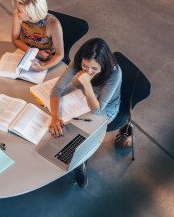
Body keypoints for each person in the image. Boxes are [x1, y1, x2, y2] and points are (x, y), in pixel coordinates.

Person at [48, 38, 122, 188]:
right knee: (63, 125)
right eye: (84, 66)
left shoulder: (114, 72)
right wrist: (55, 117)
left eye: (94, 68)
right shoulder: (78, 61)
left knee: (79, 134)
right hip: (82, 95)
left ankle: (79, 164)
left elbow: (97, 109)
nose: (88, 71)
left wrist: (87, 84)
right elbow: (56, 90)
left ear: (103, 64)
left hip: (106, 108)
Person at [12, 0, 64, 71]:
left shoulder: (53, 24)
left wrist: (43, 67)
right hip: (26, 51)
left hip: (46, 58)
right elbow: (15, 39)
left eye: (19, 10)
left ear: (31, 13)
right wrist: (36, 53)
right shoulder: (18, 16)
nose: (16, 11)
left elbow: (60, 54)